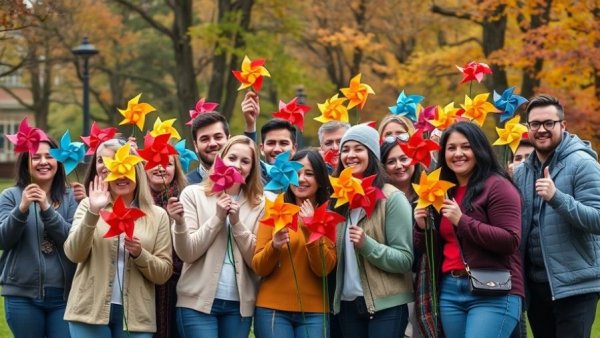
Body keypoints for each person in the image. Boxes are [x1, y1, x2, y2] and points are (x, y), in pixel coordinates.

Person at [413, 122, 523, 337]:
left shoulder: (498, 186)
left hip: (494, 289)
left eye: (466, 147)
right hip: (450, 291)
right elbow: (427, 250)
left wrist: (462, 221)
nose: (458, 153)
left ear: (479, 149)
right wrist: (421, 228)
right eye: (451, 148)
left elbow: (510, 240)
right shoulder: (443, 189)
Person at [64, 140, 173, 338]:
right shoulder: (89, 206)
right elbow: (74, 253)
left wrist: (140, 254)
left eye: (126, 166)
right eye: (111, 166)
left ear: (137, 170)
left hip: (136, 319)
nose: (120, 174)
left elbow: (164, 273)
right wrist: (93, 212)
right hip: (89, 312)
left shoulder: (158, 216)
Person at [513, 94, 600, 338]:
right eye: (535, 124)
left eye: (548, 123)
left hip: (575, 285)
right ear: (528, 128)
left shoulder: (583, 164)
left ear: (562, 125)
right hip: (537, 285)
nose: (541, 129)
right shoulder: (523, 172)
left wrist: (557, 198)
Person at [169, 135, 264, 338]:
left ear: (251, 170)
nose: (237, 165)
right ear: (220, 160)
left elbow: (257, 261)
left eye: (245, 161)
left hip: (239, 307)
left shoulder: (259, 204)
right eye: (232, 158)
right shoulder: (192, 194)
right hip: (196, 304)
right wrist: (217, 218)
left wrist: (237, 223)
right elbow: (188, 252)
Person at [332, 124, 414, 338]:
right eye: (345, 149)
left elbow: (405, 259)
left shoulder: (392, 198)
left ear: (372, 154)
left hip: (385, 307)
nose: (350, 155)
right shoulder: (339, 200)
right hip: (348, 306)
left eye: (358, 149)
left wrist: (367, 245)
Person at [252, 149, 336, 338]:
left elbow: (324, 268)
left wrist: (309, 228)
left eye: (309, 173)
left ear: (321, 179)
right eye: (295, 173)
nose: (301, 179)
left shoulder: (328, 216)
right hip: (272, 309)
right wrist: (274, 246)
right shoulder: (276, 210)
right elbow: (259, 267)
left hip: (315, 312)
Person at [0, 138, 78, 338]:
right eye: (36, 157)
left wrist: (46, 208)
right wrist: (22, 208)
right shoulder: (10, 196)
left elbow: (72, 241)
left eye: (50, 156)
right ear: (26, 163)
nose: (43, 162)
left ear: (58, 161)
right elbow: (3, 240)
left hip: (63, 296)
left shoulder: (70, 197)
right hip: (21, 296)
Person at [145, 155, 187, 338]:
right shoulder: (134, 200)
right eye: (153, 162)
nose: (160, 167)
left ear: (176, 169)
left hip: (178, 285)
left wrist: (176, 221)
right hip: (145, 282)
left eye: (168, 164)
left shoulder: (186, 198)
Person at [187, 112, 230, 184]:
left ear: (229, 140)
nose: (212, 144)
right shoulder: (184, 185)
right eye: (205, 139)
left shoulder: (243, 180)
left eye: (218, 137)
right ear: (196, 146)